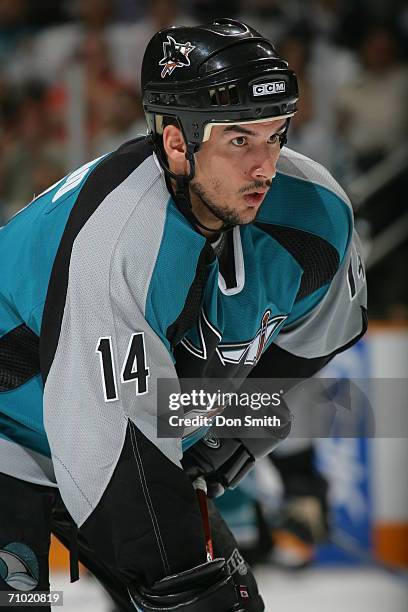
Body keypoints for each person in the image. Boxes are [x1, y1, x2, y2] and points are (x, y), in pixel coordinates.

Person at [0, 18, 367, 612]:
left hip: (107, 423)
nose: (266, 167)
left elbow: (311, 344)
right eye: (240, 140)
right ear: (176, 143)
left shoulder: (318, 215)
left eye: (276, 135)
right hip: (10, 431)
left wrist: (231, 435)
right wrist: (184, 585)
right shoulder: (120, 243)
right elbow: (109, 447)